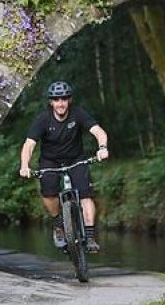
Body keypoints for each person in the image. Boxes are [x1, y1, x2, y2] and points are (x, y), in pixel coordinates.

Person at [19, 81, 108, 253]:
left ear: (69, 100)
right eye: (56, 99)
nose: (61, 103)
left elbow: (98, 131)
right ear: (51, 102)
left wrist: (102, 148)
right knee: (49, 192)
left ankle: (89, 236)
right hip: (50, 161)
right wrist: (24, 166)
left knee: (85, 195)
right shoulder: (43, 119)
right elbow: (29, 145)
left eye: (64, 99)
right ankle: (58, 224)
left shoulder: (78, 114)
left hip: (76, 159)